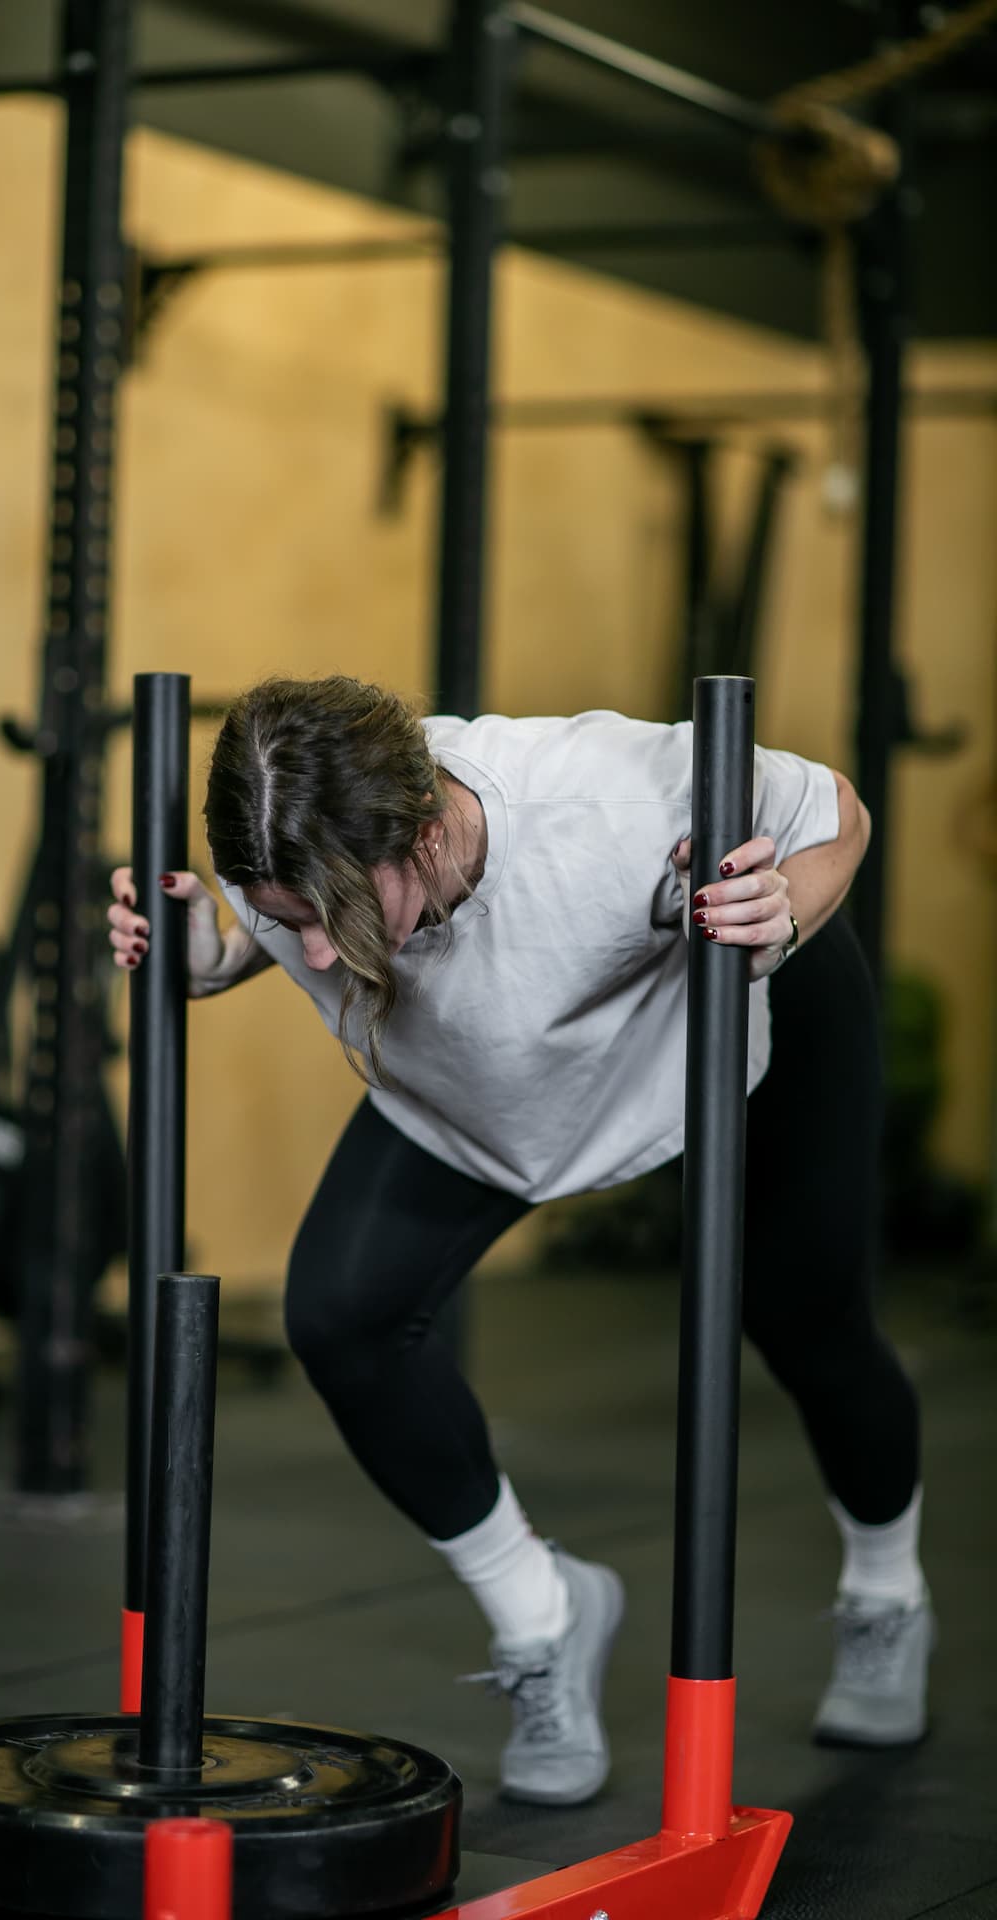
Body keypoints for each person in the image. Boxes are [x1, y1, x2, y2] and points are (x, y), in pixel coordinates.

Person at [108, 675, 931, 1807]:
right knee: (342, 1319)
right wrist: (212, 957)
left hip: (731, 1026)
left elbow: (840, 810)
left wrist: (781, 909)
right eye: (286, 920)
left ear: (424, 831)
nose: (314, 955)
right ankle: (543, 1615)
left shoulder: (611, 795)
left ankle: (886, 1593)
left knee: (808, 1324)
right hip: (483, 1088)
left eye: (327, 917)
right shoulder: (292, 829)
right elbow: (289, 920)